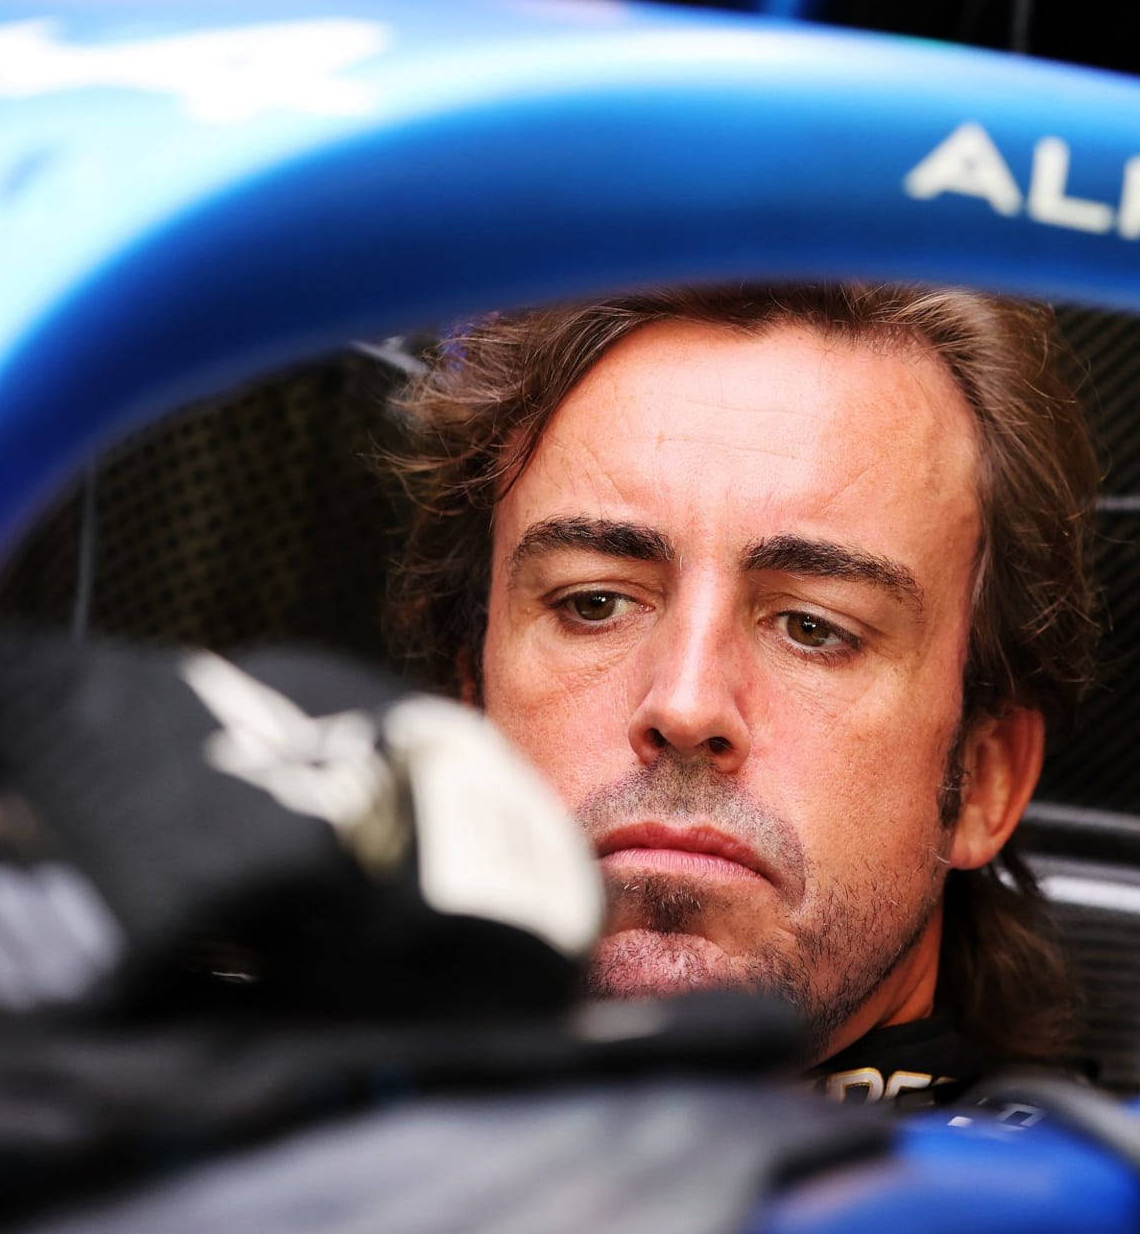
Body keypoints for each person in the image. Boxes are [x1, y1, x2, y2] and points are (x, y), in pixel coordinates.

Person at [385, 284, 1100, 1102]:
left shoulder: (1094, 1179)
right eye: (595, 603)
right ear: (467, 707)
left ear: (984, 777)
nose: (686, 707)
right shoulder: (295, 1135)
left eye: (813, 627)